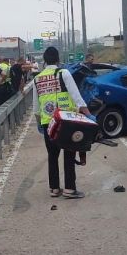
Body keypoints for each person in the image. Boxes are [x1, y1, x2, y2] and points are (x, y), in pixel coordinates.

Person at [32, 46, 94, 199]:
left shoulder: (37, 78)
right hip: (67, 121)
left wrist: (40, 124)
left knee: (52, 155)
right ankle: (69, 189)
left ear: (45, 60)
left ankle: (54, 189)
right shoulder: (64, 73)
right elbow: (76, 96)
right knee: (69, 153)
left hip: (49, 123)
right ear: (58, 59)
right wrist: (88, 115)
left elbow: (36, 106)